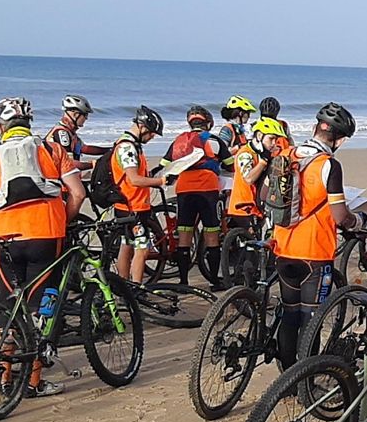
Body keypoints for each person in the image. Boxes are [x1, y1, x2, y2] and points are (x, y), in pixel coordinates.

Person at [0, 97, 86, 397]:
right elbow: (78, 193)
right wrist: (64, 221)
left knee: (8, 303)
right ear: (29, 124)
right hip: (46, 236)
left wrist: (0, 228)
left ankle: (5, 377)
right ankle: (33, 382)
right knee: (40, 308)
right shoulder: (52, 149)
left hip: (7, 240)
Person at [269, 104, 358, 367]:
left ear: (315, 127)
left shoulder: (285, 154)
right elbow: (340, 215)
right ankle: (303, 379)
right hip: (315, 253)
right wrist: (358, 219)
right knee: (311, 319)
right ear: (339, 139)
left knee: (289, 313)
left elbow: (266, 196)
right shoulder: (329, 165)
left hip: (283, 248)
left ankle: (285, 377)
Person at [163, 105, 230, 287]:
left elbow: (165, 164)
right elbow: (230, 164)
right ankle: (214, 281)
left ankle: (183, 281)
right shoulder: (214, 140)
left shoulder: (179, 141)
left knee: (184, 236)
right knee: (211, 235)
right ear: (208, 123)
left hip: (184, 190)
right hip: (208, 190)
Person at [110, 106, 168, 284]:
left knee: (126, 246)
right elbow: (134, 179)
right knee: (142, 249)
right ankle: (135, 288)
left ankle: (123, 287)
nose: (152, 138)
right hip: (132, 208)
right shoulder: (128, 148)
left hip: (127, 207)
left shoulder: (130, 144)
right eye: (151, 133)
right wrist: (161, 182)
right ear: (142, 127)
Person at [225, 117, 289, 231]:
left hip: (257, 208)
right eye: (271, 139)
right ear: (259, 136)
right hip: (243, 208)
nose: (274, 143)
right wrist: (263, 162)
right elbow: (248, 179)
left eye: (276, 139)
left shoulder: (263, 153)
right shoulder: (245, 153)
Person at [47, 95, 107, 170]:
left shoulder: (69, 132)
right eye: (85, 115)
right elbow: (70, 164)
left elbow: (85, 149)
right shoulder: (62, 133)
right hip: (56, 177)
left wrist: (109, 150)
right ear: (75, 114)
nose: (86, 118)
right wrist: (93, 164)